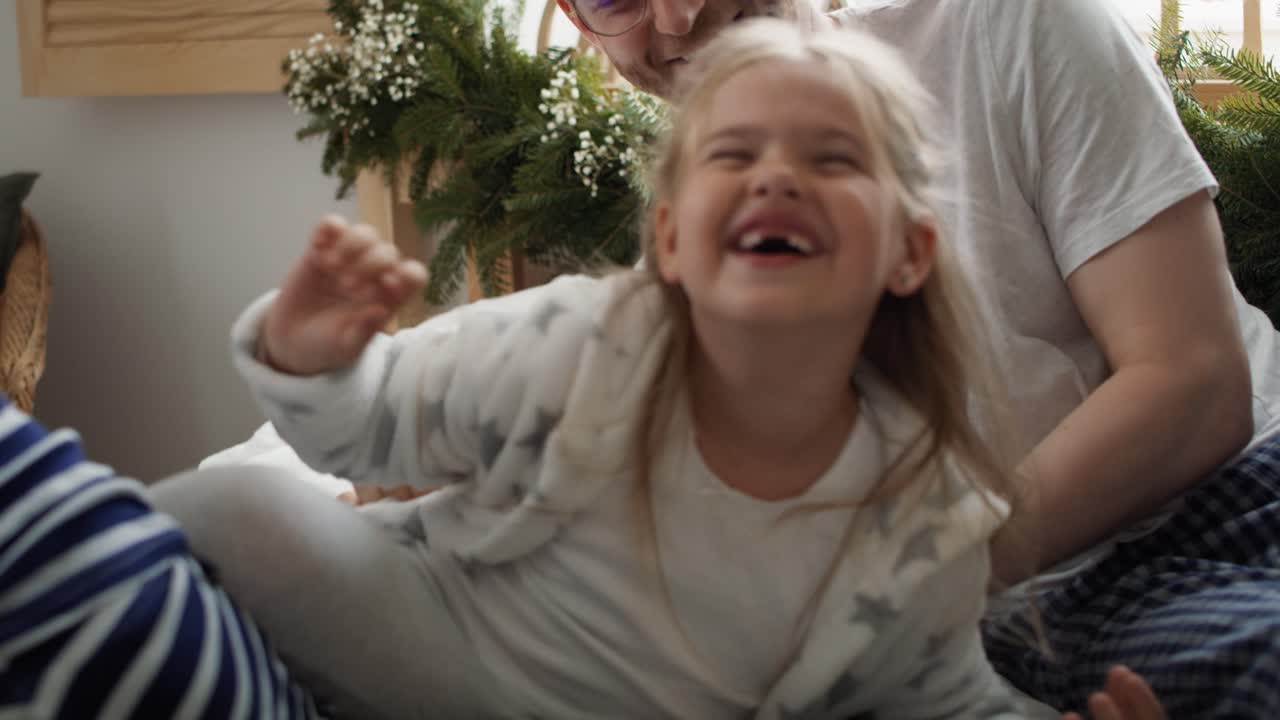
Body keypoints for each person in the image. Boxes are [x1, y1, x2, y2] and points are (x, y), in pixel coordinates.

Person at [139, 19, 1169, 720]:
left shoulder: (926, 507)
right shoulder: (576, 344)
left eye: (831, 159)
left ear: (909, 252)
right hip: (430, 638)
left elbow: (942, 697)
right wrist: (313, 363)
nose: (775, 173)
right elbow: (362, 433)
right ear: (669, 241)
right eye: (733, 155)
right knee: (240, 514)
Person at [546, 0, 1280, 716]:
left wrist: (906, 584)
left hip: (1232, 497)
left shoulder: (1012, 25)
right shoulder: (677, 266)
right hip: (1011, 613)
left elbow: (1197, 382)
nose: (679, 17)